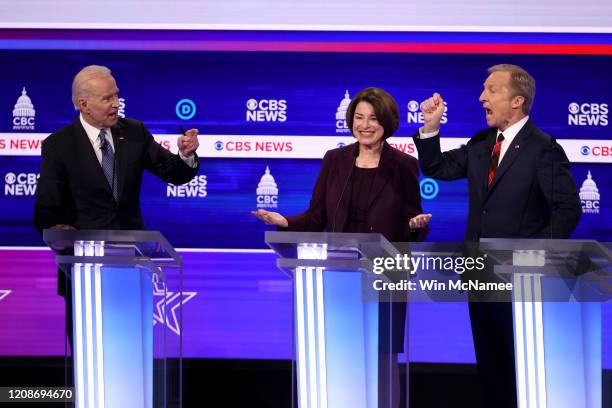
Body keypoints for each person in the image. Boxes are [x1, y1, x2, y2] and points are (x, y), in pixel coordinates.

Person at [415, 64, 581, 407]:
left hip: (522, 282)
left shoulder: (543, 148)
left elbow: (568, 210)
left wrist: (534, 257)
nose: (481, 97)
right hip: (479, 276)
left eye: (491, 90)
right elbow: (438, 169)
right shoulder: (481, 144)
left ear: (517, 100)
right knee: (491, 369)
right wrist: (431, 129)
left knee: (522, 367)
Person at [253, 87, 431, 406]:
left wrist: (416, 225)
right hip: (337, 277)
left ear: (387, 123)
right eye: (359, 117)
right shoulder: (335, 160)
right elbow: (316, 217)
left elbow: (410, 220)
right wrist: (284, 223)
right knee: (336, 352)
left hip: (385, 278)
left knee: (383, 360)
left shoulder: (403, 165)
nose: (364, 125)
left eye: (373, 118)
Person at [33, 64, 200, 350]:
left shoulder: (134, 132)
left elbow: (174, 173)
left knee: (130, 349)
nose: (116, 104)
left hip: (131, 265)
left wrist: (185, 155)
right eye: (107, 99)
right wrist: (59, 233)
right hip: (83, 269)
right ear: (84, 105)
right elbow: (47, 209)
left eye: (117, 96)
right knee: (89, 353)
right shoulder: (58, 146)